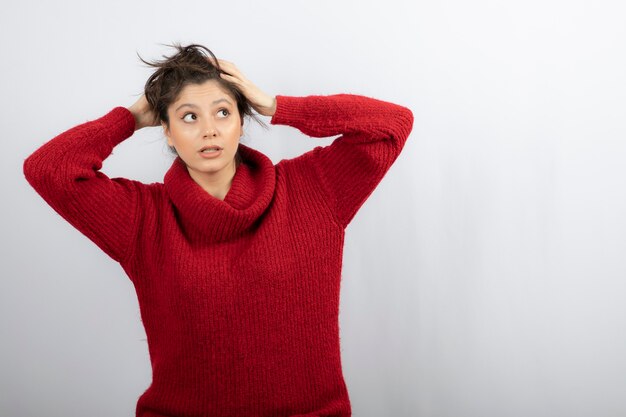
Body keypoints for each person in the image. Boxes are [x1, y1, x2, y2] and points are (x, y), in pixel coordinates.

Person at [22, 43, 414, 417]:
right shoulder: (142, 217)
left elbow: (392, 124)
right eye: (189, 116)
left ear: (242, 123)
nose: (209, 129)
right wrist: (130, 117)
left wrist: (275, 105)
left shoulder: (312, 190)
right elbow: (49, 170)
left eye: (223, 113)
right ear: (167, 131)